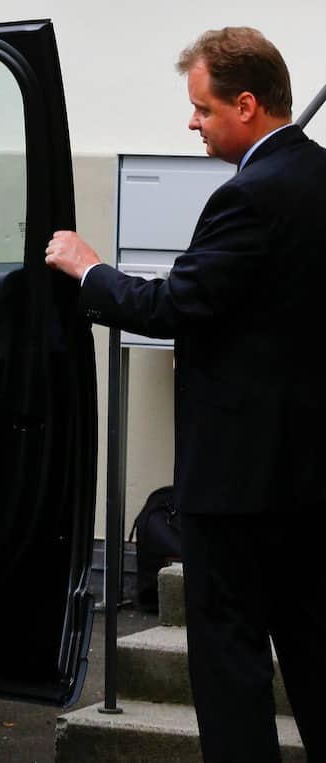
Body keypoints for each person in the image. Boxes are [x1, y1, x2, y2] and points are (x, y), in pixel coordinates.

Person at [44, 27, 326, 762]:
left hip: (236, 484)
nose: (191, 122)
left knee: (228, 664)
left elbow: (175, 306)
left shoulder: (251, 195)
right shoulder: (317, 178)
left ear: (245, 103)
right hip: (307, 477)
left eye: (200, 108)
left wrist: (88, 271)